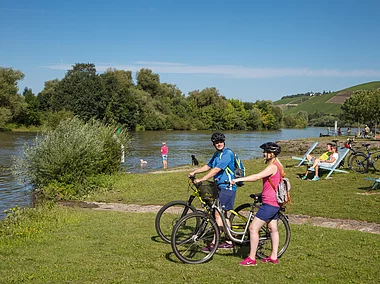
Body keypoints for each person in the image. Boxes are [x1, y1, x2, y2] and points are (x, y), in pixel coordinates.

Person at [231, 142, 283, 266]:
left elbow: (257, 177)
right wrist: (260, 194)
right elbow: (273, 185)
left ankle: (252, 258)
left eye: (265, 152)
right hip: (275, 203)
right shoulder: (278, 165)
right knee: (272, 229)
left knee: (253, 228)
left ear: (271, 154)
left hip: (269, 204)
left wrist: (238, 179)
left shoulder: (272, 167)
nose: (263, 154)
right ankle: (274, 257)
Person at [188, 132, 237, 250]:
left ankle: (215, 242)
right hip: (219, 186)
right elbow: (209, 166)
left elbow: (216, 169)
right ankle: (229, 240)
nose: (218, 144)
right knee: (222, 214)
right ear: (213, 144)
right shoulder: (217, 154)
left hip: (227, 186)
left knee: (217, 214)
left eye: (220, 142)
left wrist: (203, 179)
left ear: (224, 142)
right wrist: (195, 172)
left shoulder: (227, 153)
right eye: (216, 142)